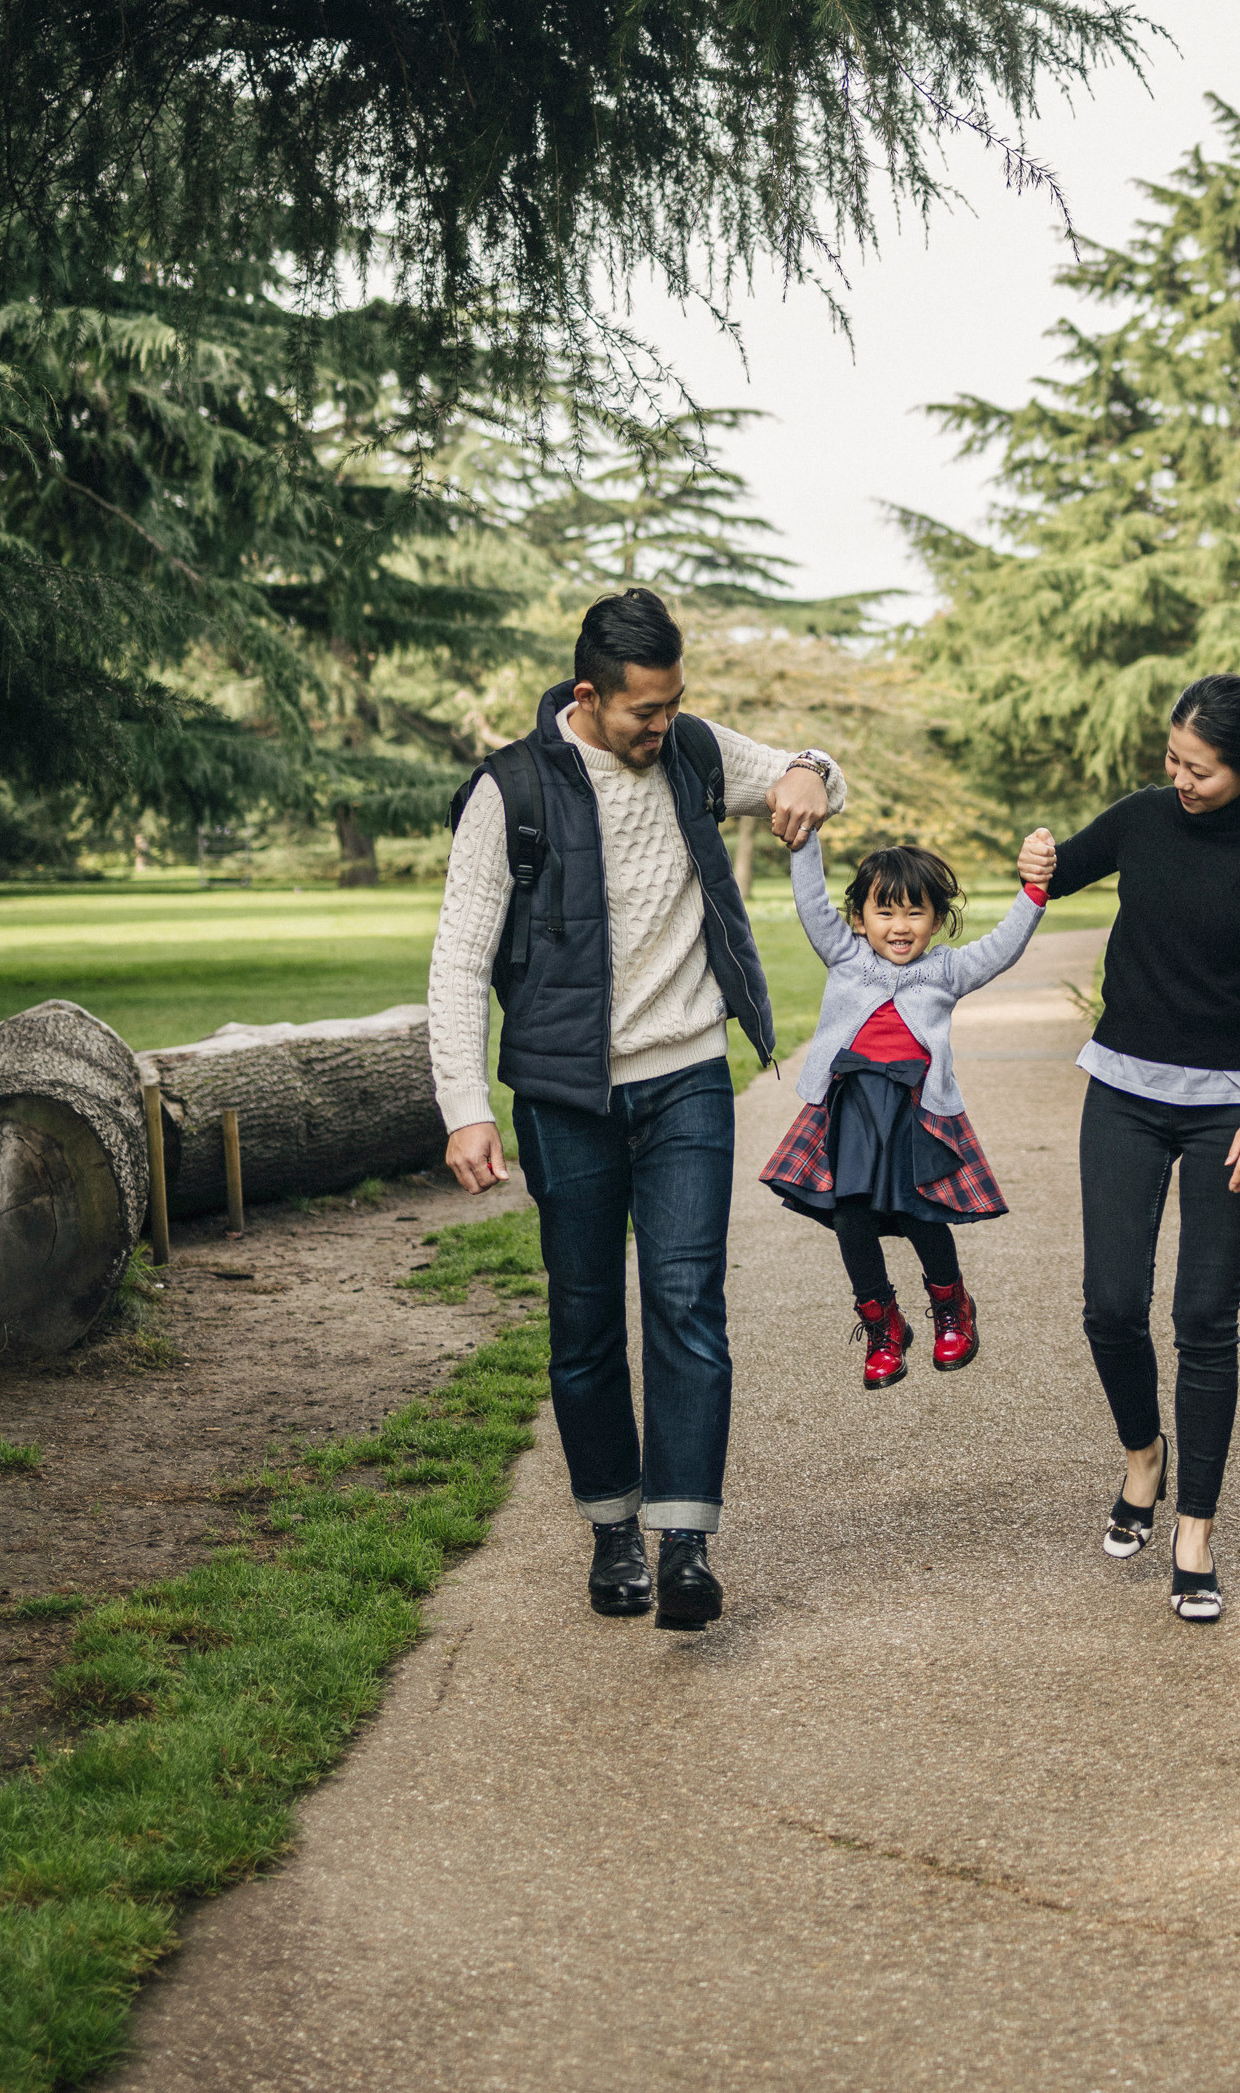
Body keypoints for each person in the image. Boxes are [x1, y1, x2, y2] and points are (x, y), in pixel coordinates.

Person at [428, 585, 846, 1631]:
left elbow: (806, 771)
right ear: (588, 695)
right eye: (643, 714)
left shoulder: (692, 750)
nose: (663, 728)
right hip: (564, 1097)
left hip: (687, 1077)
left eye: (673, 706)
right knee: (581, 1320)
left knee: (685, 1304)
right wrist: (461, 1105)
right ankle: (612, 1527)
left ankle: (686, 1542)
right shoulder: (510, 791)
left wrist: (810, 774)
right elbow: (456, 957)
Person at [1022, 674, 1240, 1624]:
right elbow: (1050, 877)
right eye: (1172, 759)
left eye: (1200, 769)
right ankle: (1145, 1458)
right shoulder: (1145, 818)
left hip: (1230, 1108)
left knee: (1205, 1319)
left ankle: (1195, 1533)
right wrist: (1037, 853)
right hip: (1126, 1093)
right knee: (1109, 1303)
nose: (1179, 778)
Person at [759, 831, 1047, 1384]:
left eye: (916, 913)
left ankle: (952, 1306)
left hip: (915, 1109)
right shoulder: (844, 956)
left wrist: (1033, 893)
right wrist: (803, 839)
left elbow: (1002, 946)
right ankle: (881, 1320)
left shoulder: (945, 971)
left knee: (921, 1213)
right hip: (850, 1107)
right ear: (861, 919)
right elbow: (812, 903)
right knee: (850, 1215)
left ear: (937, 921)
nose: (900, 926)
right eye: (885, 912)